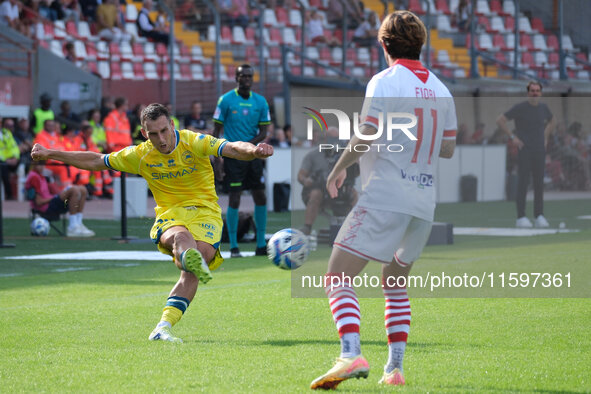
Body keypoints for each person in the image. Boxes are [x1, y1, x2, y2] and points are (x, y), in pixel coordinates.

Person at [31, 103, 273, 342]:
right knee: (181, 239)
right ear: (145, 133)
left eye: (164, 131)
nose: (161, 139)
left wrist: (253, 151)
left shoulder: (194, 141)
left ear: (171, 125)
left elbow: (231, 147)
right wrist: (51, 153)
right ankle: (187, 257)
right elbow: (97, 160)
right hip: (171, 215)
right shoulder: (141, 154)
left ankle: (162, 327)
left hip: (205, 213)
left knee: (195, 265)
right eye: (154, 134)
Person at [310, 11, 457, 389]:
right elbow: (447, 148)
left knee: (337, 274)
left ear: (383, 44)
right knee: (394, 281)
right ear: (421, 43)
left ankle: (350, 353)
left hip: (387, 196)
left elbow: (368, 133)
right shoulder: (442, 89)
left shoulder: (385, 81)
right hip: (424, 200)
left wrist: (338, 167)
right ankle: (394, 370)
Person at [213, 64, 271, 258]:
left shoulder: (261, 102)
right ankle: (234, 246)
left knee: (260, 196)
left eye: (249, 76)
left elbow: (263, 132)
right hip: (233, 157)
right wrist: (218, 158)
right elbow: (216, 131)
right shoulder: (226, 100)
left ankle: (261, 244)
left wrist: (248, 146)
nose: (246, 79)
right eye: (243, 76)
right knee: (235, 198)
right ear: (236, 78)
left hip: (253, 156)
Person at [496, 81, 554, 228]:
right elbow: (500, 120)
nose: (535, 93)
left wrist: (545, 136)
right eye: (532, 90)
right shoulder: (520, 108)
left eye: (537, 90)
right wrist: (512, 137)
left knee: (539, 183)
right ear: (528, 92)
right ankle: (521, 217)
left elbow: (552, 121)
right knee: (523, 183)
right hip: (525, 150)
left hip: (539, 150)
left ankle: (539, 215)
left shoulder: (543, 108)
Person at [297, 127, 358, 237]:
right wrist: (306, 181)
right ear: (325, 139)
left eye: (337, 138)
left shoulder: (344, 155)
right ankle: (308, 226)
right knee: (316, 194)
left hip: (340, 188)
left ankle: (356, 227)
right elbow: (301, 175)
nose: (335, 140)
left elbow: (355, 172)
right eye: (332, 138)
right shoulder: (313, 155)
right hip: (319, 188)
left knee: (353, 193)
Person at [25, 160, 95, 237]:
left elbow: (53, 190)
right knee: (74, 190)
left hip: (50, 202)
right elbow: (39, 202)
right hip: (46, 207)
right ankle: (72, 227)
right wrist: (54, 197)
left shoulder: (41, 176)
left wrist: (54, 187)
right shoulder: (34, 177)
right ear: (33, 165)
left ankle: (78, 223)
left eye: (43, 164)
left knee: (83, 189)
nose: (42, 167)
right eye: (39, 164)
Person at [0, 117, 20, 199]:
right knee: (3, 167)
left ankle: (10, 194)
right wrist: (6, 160)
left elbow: (14, 147)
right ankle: (9, 195)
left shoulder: (7, 133)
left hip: (11, 160)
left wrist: (15, 157)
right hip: (3, 161)